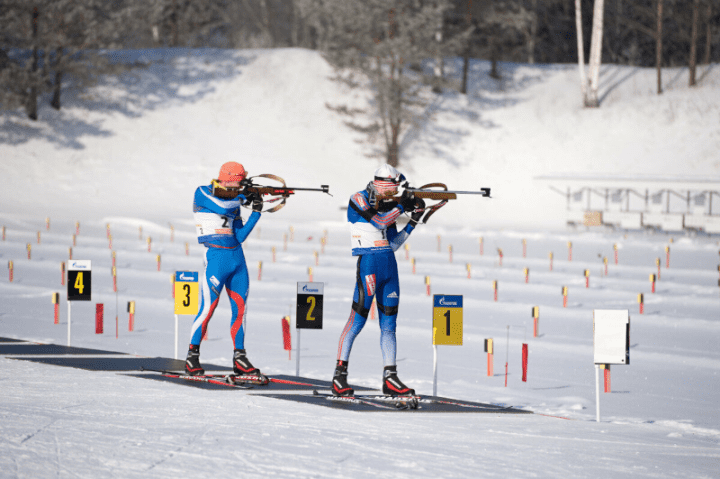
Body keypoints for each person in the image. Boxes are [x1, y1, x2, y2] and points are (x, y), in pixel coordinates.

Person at [332, 164, 425, 397]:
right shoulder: (359, 198)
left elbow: (393, 242)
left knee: (389, 326)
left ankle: (390, 377)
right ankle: (339, 376)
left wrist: (413, 221)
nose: (393, 195)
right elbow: (380, 222)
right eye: (392, 189)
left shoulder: (388, 207)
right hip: (369, 265)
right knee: (357, 321)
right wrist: (402, 205)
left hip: (389, 266)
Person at [185, 161, 267, 383]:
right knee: (208, 307)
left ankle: (239, 357)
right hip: (216, 258)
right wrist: (242, 197)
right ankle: (192, 355)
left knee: (240, 309)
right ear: (229, 178)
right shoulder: (202, 192)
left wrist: (256, 213)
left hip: (237, 258)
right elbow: (221, 208)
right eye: (239, 180)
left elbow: (239, 235)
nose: (241, 185)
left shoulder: (234, 200)